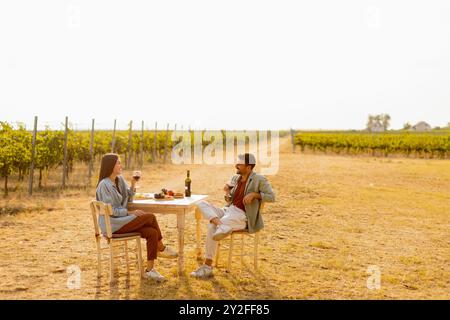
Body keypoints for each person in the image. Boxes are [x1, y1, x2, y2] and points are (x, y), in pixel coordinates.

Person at [191, 153, 275, 278]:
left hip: (242, 216)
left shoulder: (259, 179)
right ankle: (221, 225)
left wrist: (254, 195)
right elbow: (229, 199)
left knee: (211, 227)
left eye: (240, 164)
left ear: (249, 167)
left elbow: (272, 197)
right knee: (201, 203)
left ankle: (207, 266)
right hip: (228, 210)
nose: (236, 165)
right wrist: (227, 192)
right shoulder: (236, 178)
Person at [95, 153, 177, 281]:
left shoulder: (119, 179)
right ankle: (161, 248)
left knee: (152, 232)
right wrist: (129, 213)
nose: (120, 165)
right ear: (110, 166)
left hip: (122, 221)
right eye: (118, 163)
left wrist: (132, 184)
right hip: (112, 224)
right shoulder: (104, 185)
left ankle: (150, 271)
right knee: (150, 217)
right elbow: (110, 210)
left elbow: (129, 197)